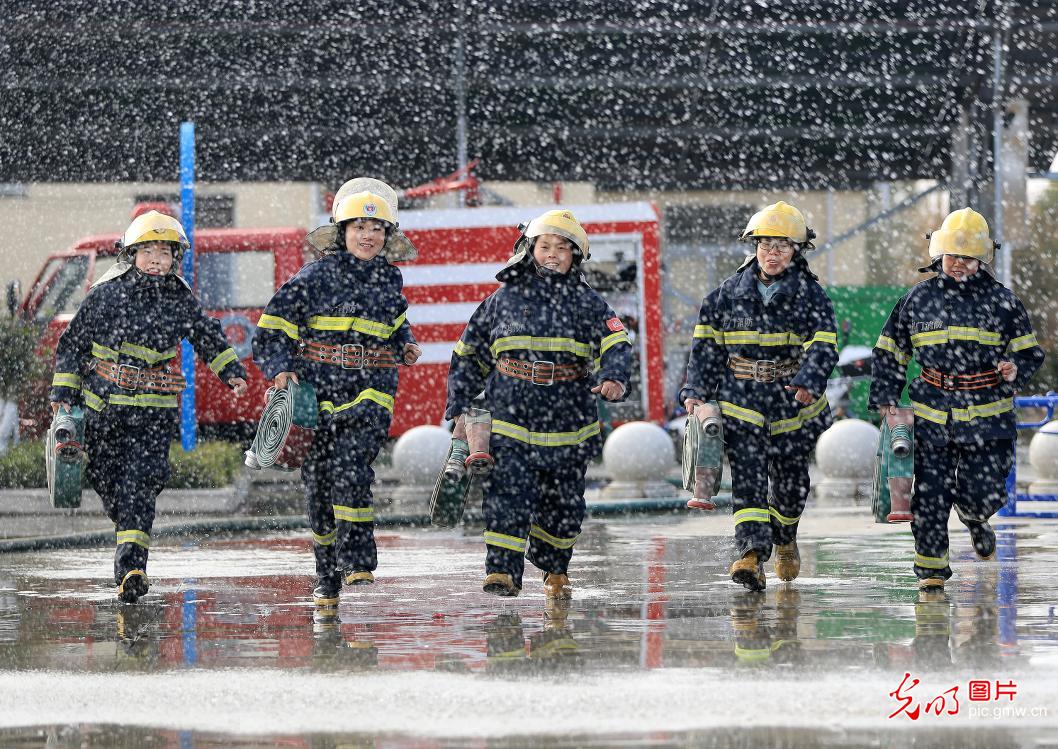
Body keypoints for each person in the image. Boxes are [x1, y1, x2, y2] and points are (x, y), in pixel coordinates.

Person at [49, 210, 248, 603]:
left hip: (154, 415)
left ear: (175, 258)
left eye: (165, 252)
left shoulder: (179, 297)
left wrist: (231, 371)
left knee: (140, 486)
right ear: (131, 254)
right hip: (104, 412)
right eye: (149, 251)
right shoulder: (105, 295)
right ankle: (129, 541)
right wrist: (64, 398)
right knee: (113, 487)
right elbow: (72, 346)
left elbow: (205, 333)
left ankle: (132, 568)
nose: (157, 260)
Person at [445, 209, 632, 599]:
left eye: (562, 249)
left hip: (569, 422)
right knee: (506, 496)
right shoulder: (500, 301)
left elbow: (617, 343)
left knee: (565, 511)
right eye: (544, 246)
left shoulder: (591, 304)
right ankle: (502, 571)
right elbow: (468, 354)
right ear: (528, 250)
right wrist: (460, 405)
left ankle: (553, 566)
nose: (552, 254)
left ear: (575, 257)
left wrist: (614, 378)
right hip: (511, 418)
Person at [252, 179, 421, 606]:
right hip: (316, 396)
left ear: (388, 236)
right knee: (320, 487)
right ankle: (327, 572)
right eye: (360, 227)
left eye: (378, 228)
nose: (369, 236)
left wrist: (405, 343)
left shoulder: (390, 277)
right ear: (341, 232)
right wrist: (280, 370)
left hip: (370, 392)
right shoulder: (314, 278)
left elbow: (396, 321)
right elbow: (272, 330)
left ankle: (359, 561)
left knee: (352, 469)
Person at [870, 207, 1044, 594]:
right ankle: (931, 571)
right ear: (938, 256)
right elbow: (890, 351)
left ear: (982, 260)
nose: (959, 264)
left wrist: (1016, 367)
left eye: (967, 257)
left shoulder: (1003, 302)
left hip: (989, 416)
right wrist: (885, 398)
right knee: (931, 494)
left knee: (985, 491)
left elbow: (1030, 353)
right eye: (952, 256)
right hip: (933, 414)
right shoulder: (916, 300)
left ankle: (975, 516)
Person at [680, 201, 838, 591]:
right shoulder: (723, 296)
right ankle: (750, 556)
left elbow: (824, 346)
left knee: (791, 485)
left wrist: (808, 381)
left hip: (791, 403)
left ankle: (785, 535)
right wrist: (696, 391)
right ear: (754, 247)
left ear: (796, 251)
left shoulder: (812, 297)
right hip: (741, 401)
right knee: (748, 482)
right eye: (765, 244)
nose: (772, 253)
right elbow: (706, 351)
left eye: (782, 246)